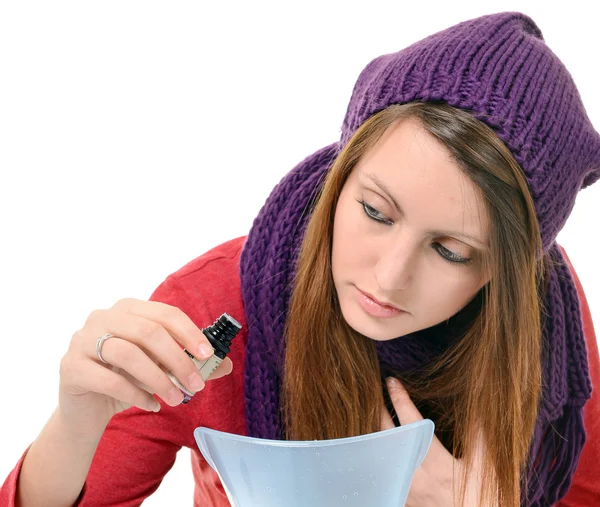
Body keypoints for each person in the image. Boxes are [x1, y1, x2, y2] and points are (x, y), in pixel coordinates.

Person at [2, 10, 600, 507]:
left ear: (508, 273)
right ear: (340, 178)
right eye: (375, 212)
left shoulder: (547, 325)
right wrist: (76, 423)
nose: (389, 277)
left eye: (451, 250)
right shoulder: (215, 307)